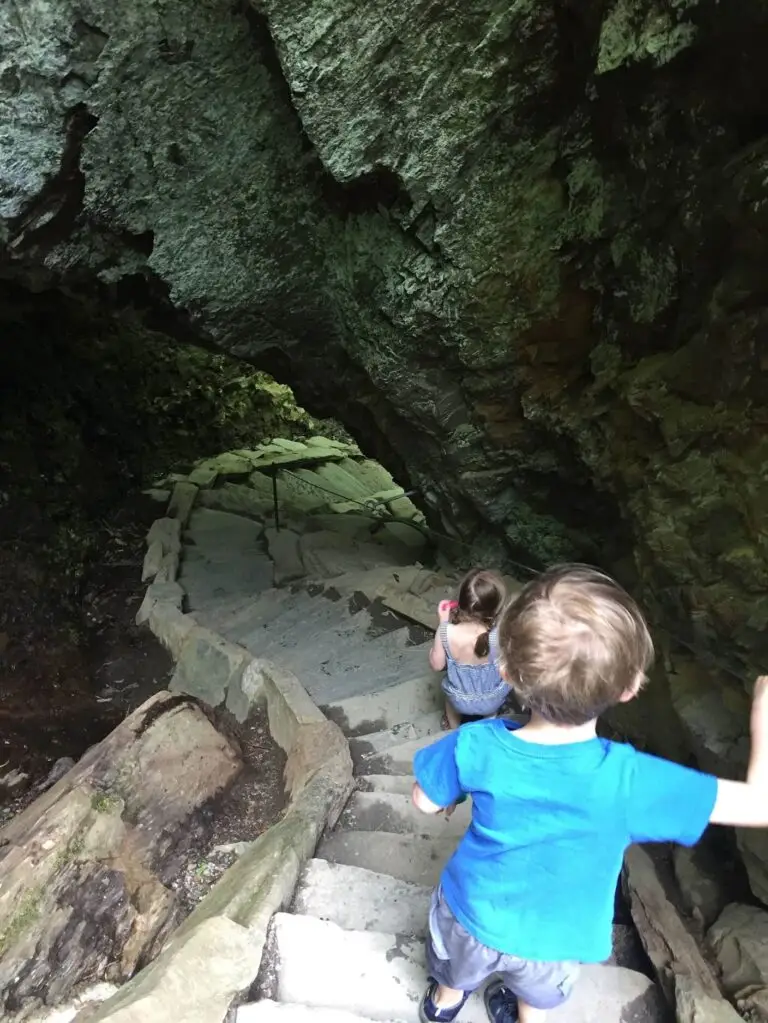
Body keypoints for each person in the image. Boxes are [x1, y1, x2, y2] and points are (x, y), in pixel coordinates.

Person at [412, 563, 768, 1023]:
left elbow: (424, 800)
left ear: (507, 670)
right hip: (555, 937)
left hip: (472, 914)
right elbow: (759, 804)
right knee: (537, 997)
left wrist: (452, 790)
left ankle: (443, 1006)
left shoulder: (474, 744)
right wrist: (762, 722)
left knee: (455, 969)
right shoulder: (628, 780)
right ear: (630, 688)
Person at [429, 569, 508, 730]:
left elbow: (437, 665)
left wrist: (442, 621)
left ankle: (453, 728)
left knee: (450, 700)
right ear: (497, 608)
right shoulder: (498, 635)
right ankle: (490, 721)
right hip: (492, 700)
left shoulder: (446, 631)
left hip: (459, 702)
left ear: (460, 602)